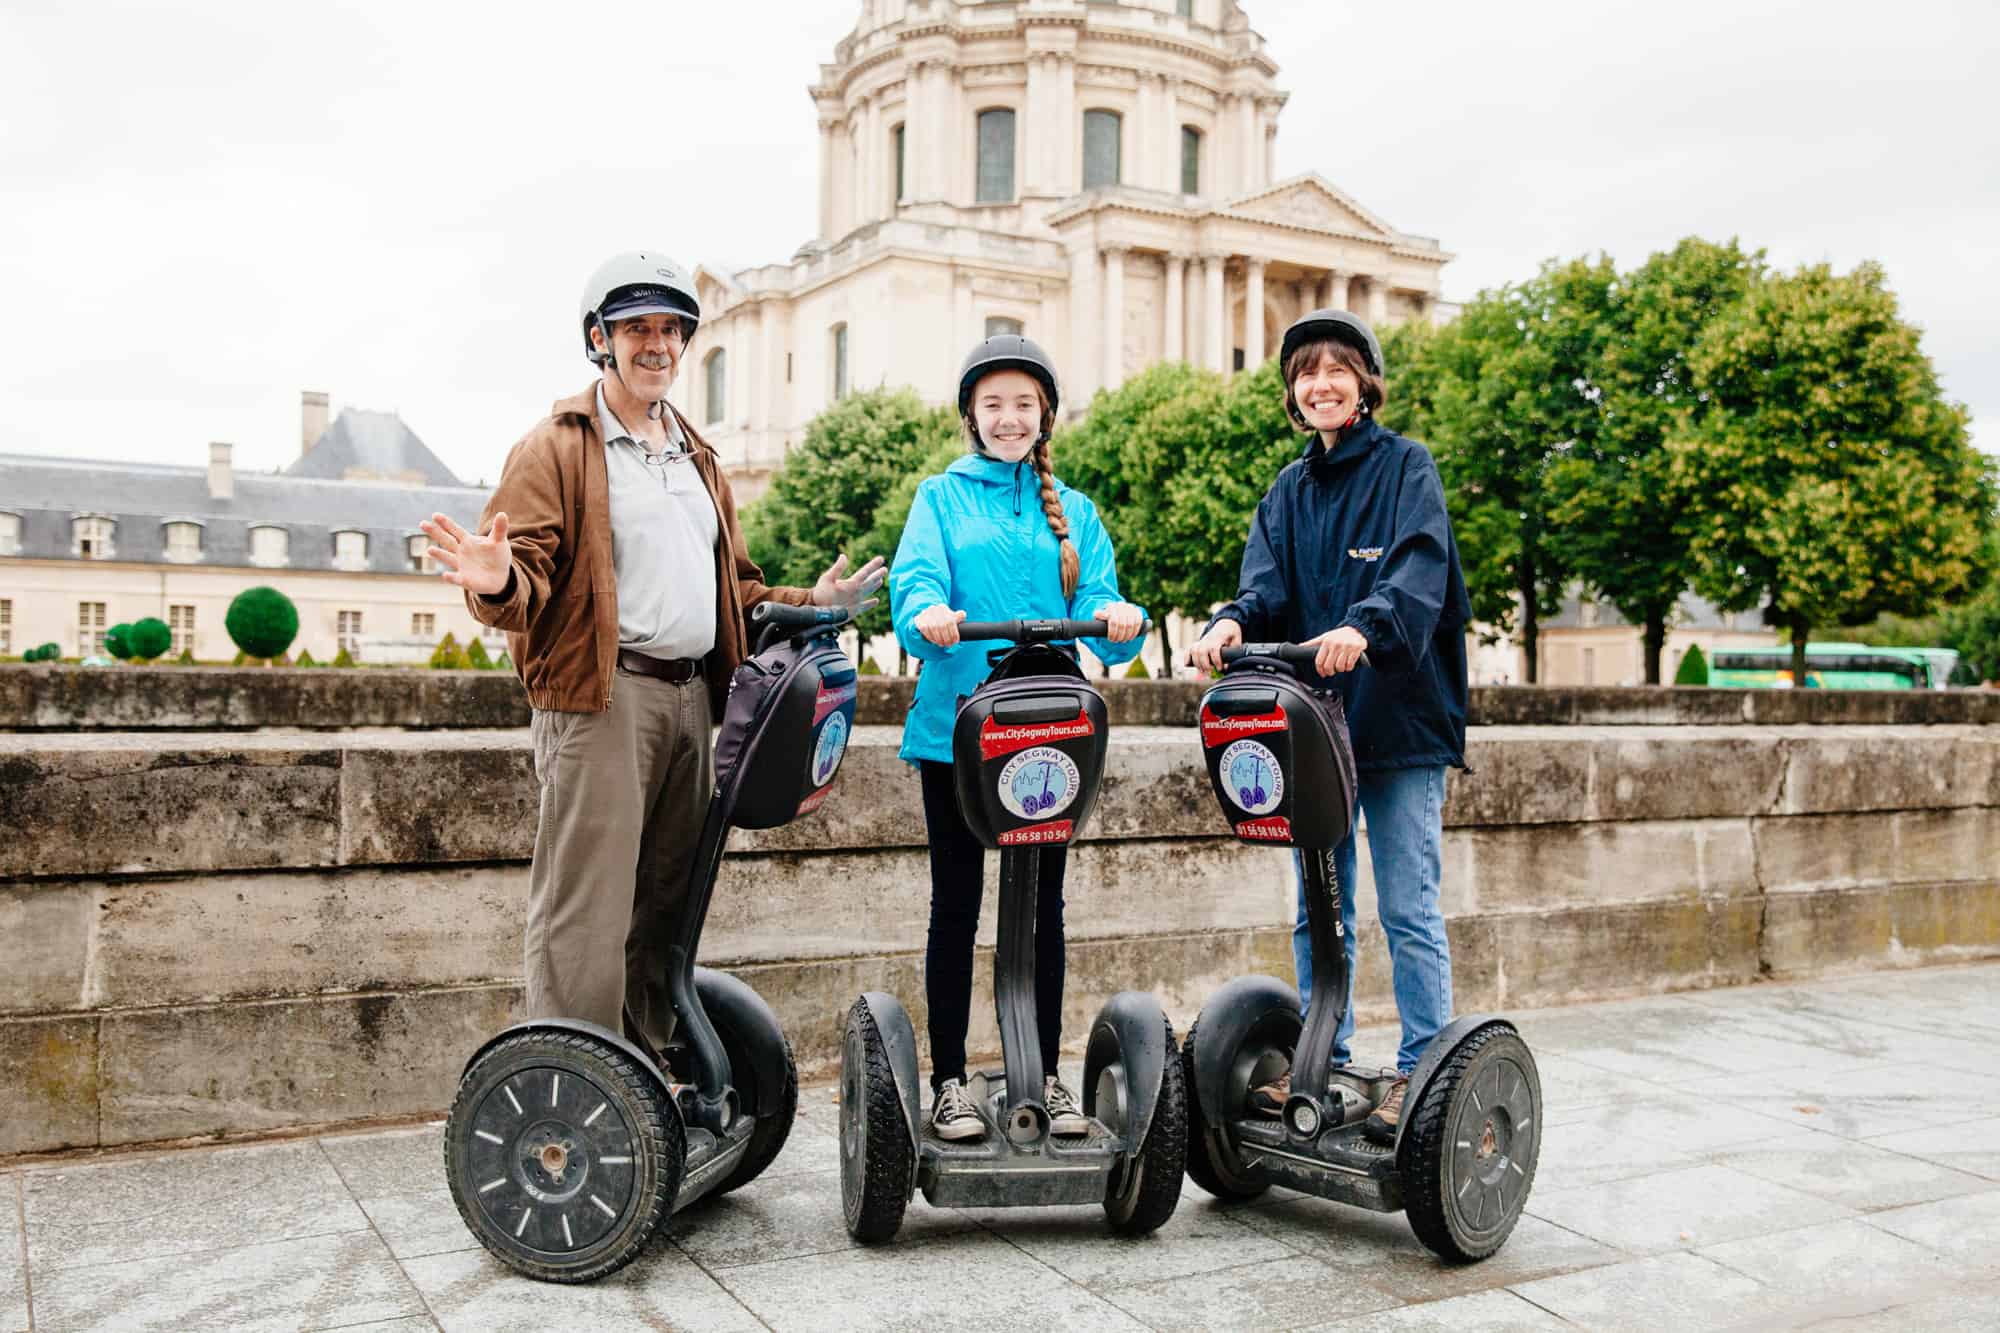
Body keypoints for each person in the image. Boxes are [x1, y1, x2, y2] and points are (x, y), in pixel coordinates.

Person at [419, 251, 883, 1064]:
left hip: (688, 700)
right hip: (604, 700)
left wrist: (817, 602)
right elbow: (518, 575)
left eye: (671, 329)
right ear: (600, 339)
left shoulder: (696, 454)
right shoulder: (559, 445)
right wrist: (494, 580)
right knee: (586, 914)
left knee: (663, 906)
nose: (657, 344)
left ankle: (648, 1082)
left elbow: (734, 590)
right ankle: (577, 1088)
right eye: (637, 328)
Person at [1185, 310, 1471, 1146]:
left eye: (1337, 370)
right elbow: (1263, 587)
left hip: (1398, 720)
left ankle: (1422, 1065)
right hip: (1312, 725)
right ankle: (1326, 1053)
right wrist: (1231, 621)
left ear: (1364, 382)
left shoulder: (1407, 468)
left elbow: (1420, 570)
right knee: (1320, 906)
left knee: (1410, 905)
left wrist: (1366, 622)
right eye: (1306, 373)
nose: (1321, 385)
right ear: (1293, 393)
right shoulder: (1288, 490)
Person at [890, 334, 1147, 1141]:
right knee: (956, 908)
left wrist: (1121, 619)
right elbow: (916, 580)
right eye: (994, 404)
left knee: (1043, 911)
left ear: (1045, 417)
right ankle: (952, 1080)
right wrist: (928, 611)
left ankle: (1043, 1074)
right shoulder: (939, 497)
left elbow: (1107, 621)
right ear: (971, 413)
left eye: (1023, 405)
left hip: (1050, 733)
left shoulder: (1076, 509)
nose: (1009, 418)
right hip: (958, 730)